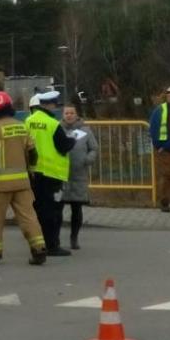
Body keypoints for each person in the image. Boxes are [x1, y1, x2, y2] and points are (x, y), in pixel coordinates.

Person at [0, 91, 48, 265]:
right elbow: (33, 153)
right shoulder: (22, 126)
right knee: (28, 217)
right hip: (22, 182)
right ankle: (39, 249)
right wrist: (30, 171)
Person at [23, 89, 75, 256]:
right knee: (53, 212)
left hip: (34, 173)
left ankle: (38, 243)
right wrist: (72, 139)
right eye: (55, 104)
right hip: (52, 174)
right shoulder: (53, 124)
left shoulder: (28, 121)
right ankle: (52, 245)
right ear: (50, 105)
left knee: (38, 209)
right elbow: (64, 146)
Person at [58, 104, 97, 250]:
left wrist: (89, 159)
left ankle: (74, 238)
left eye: (71, 113)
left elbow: (93, 148)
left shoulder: (85, 130)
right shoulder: (58, 129)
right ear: (63, 115)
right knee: (57, 209)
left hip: (78, 174)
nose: (69, 115)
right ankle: (55, 238)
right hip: (61, 175)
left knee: (76, 209)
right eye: (66, 113)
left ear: (76, 114)